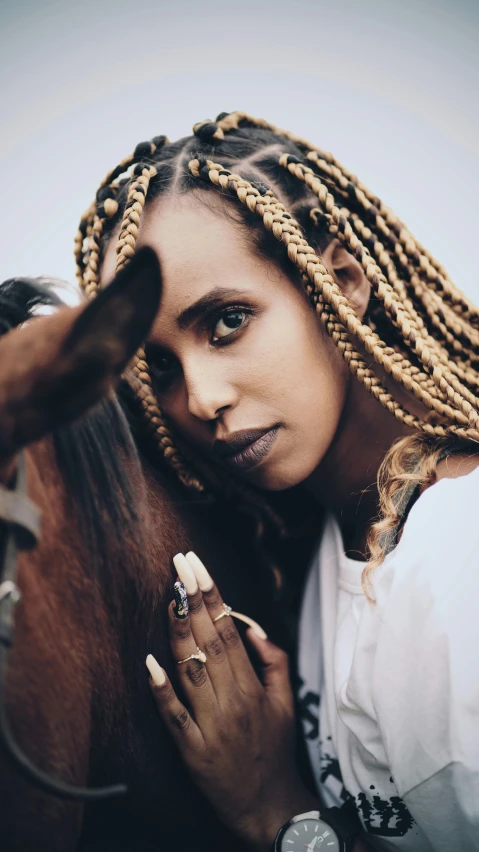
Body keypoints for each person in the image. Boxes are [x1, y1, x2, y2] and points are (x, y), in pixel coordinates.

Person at [76, 112, 479, 851]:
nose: (199, 399)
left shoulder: (461, 563)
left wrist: (275, 812)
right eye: (157, 366)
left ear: (343, 283)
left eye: (226, 321)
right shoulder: (332, 537)